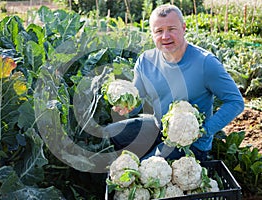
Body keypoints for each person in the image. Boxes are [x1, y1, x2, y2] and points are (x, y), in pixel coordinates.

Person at [103, 4, 244, 161]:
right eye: (159, 31)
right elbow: (137, 101)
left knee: (145, 168)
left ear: (183, 28)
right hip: (159, 128)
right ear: (152, 34)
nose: (165, 36)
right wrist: (126, 105)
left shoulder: (205, 63)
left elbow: (235, 102)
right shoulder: (145, 61)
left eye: (171, 29)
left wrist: (202, 131)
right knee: (108, 134)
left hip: (190, 143)